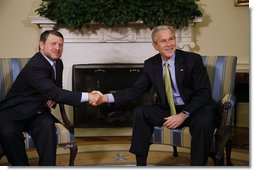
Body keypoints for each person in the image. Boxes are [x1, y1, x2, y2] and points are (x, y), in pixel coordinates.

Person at [96, 25, 219, 166]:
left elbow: (203, 93)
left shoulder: (192, 60)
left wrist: (183, 114)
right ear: (155, 46)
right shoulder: (151, 64)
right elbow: (135, 90)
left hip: (196, 108)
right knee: (140, 113)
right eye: (163, 41)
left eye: (171, 39)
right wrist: (105, 98)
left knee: (204, 121)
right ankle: (140, 164)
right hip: (168, 109)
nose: (169, 44)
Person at [0, 30, 102, 166]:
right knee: (8, 133)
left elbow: (56, 88)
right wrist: (88, 96)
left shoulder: (57, 63)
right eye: (53, 43)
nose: (57, 48)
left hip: (38, 111)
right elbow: (55, 91)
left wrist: (53, 96)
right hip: (14, 111)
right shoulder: (35, 66)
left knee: (47, 127)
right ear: (42, 45)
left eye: (61, 45)